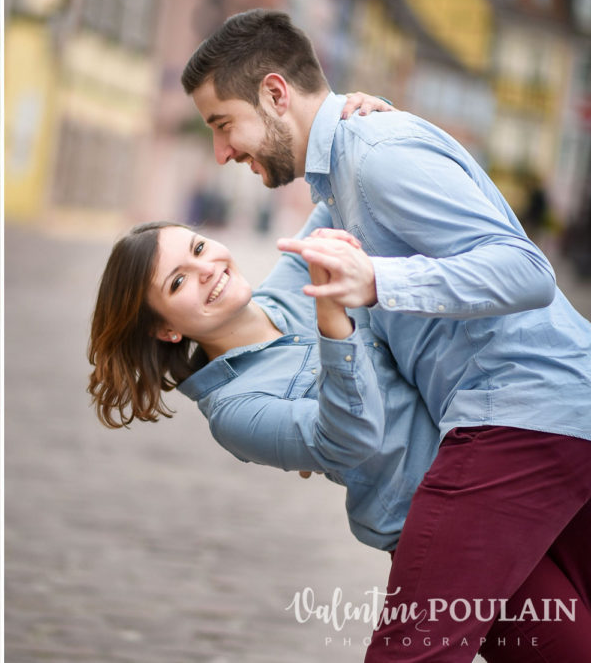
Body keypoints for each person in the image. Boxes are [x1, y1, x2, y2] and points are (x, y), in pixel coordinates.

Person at [182, 9, 591, 661]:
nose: (222, 150)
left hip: (517, 411)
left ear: (275, 93)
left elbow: (527, 272)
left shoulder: (374, 157)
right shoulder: (352, 167)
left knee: (412, 651)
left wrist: (378, 280)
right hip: (556, 412)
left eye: (222, 124)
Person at [88, 212, 591, 661]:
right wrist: (336, 329)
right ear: (166, 331)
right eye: (178, 282)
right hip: (441, 524)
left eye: (198, 248)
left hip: (513, 465)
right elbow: (348, 441)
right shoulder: (235, 410)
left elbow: (343, 184)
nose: (206, 270)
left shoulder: (291, 279)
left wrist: (367, 109)